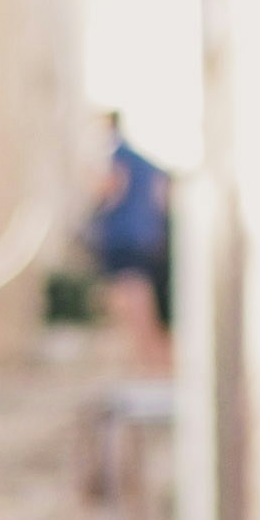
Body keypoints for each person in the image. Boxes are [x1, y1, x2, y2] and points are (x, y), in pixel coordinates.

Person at [81, 120, 174, 376]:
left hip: (125, 237)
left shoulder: (117, 155)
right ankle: (151, 359)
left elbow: (109, 188)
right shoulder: (143, 161)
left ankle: (150, 361)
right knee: (137, 298)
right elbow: (163, 194)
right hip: (144, 237)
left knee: (132, 299)